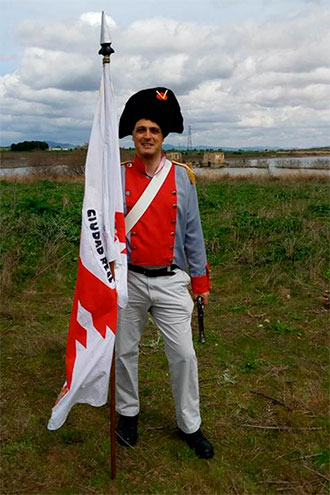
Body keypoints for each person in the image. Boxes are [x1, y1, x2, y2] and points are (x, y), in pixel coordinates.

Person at [115, 87, 214, 459]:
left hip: (172, 281)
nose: (147, 135)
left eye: (153, 129)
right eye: (141, 129)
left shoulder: (183, 178)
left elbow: (193, 234)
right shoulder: (118, 177)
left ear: (163, 135)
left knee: (184, 356)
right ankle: (128, 414)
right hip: (131, 280)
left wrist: (200, 282)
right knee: (124, 352)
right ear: (133, 134)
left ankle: (190, 425)